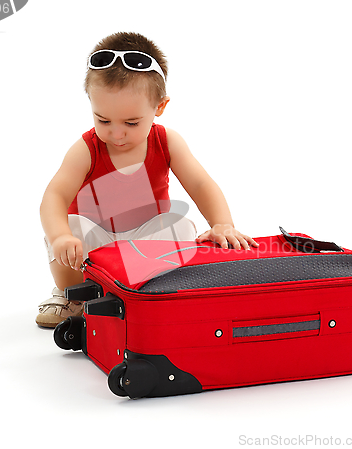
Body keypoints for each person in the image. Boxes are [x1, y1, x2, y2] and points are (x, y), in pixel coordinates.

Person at [37, 32, 259, 327]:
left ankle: (143, 294)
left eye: (131, 123)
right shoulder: (86, 149)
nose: (116, 134)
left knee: (181, 226)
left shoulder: (166, 141)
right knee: (72, 226)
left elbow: (201, 184)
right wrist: (61, 236)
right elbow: (54, 197)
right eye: (103, 120)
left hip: (142, 241)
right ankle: (74, 296)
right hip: (96, 243)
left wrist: (222, 223)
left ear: (159, 107)